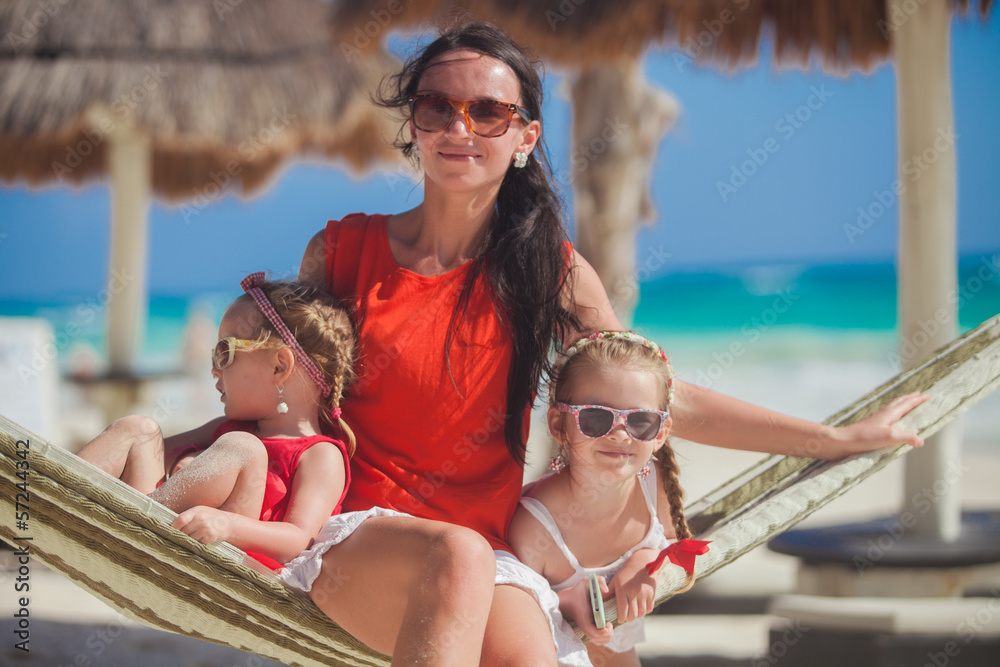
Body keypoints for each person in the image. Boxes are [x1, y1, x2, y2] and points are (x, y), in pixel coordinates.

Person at [289, 21, 928, 666]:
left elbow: (653, 396)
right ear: (414, 124)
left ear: (524, 137)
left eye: (487, 112)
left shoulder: (548, 272)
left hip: (490, 557)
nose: (460, 128)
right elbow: (273, 394)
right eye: (437, 108)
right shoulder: (342, 253)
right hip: (352, 545)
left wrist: (832, 439)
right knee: (458, 556)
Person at [77, 273, 355, 569]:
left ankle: (135, 525)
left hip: (221, 567)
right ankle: (55, 493)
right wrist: (189, 467)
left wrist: (227, 525)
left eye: (225, 353)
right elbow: (148, 460)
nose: (213, 369)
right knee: (140, 430)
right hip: (160, 530)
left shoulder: (321, 455)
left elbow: (298, 539)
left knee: (243, 447)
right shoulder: (225, 429)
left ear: (279, 366)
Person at [510, 331, 694, 667]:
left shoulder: (654, 486)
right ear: (558, 424)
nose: (620, 434)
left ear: (661, 434)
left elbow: (676, 543)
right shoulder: (534, 527)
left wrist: (647, 560)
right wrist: (566, 602)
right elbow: (512, 616)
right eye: (596, 418)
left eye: (641, 421)